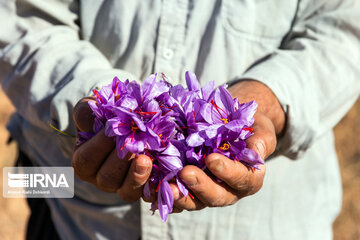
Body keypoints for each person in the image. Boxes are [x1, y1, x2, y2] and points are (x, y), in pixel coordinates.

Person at [1, 0, 359, 239]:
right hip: (65, 202)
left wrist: (269, 101)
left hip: (273, 221)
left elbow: (345, 30)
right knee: (21, 187)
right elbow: (18, 21)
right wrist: (98, 104)